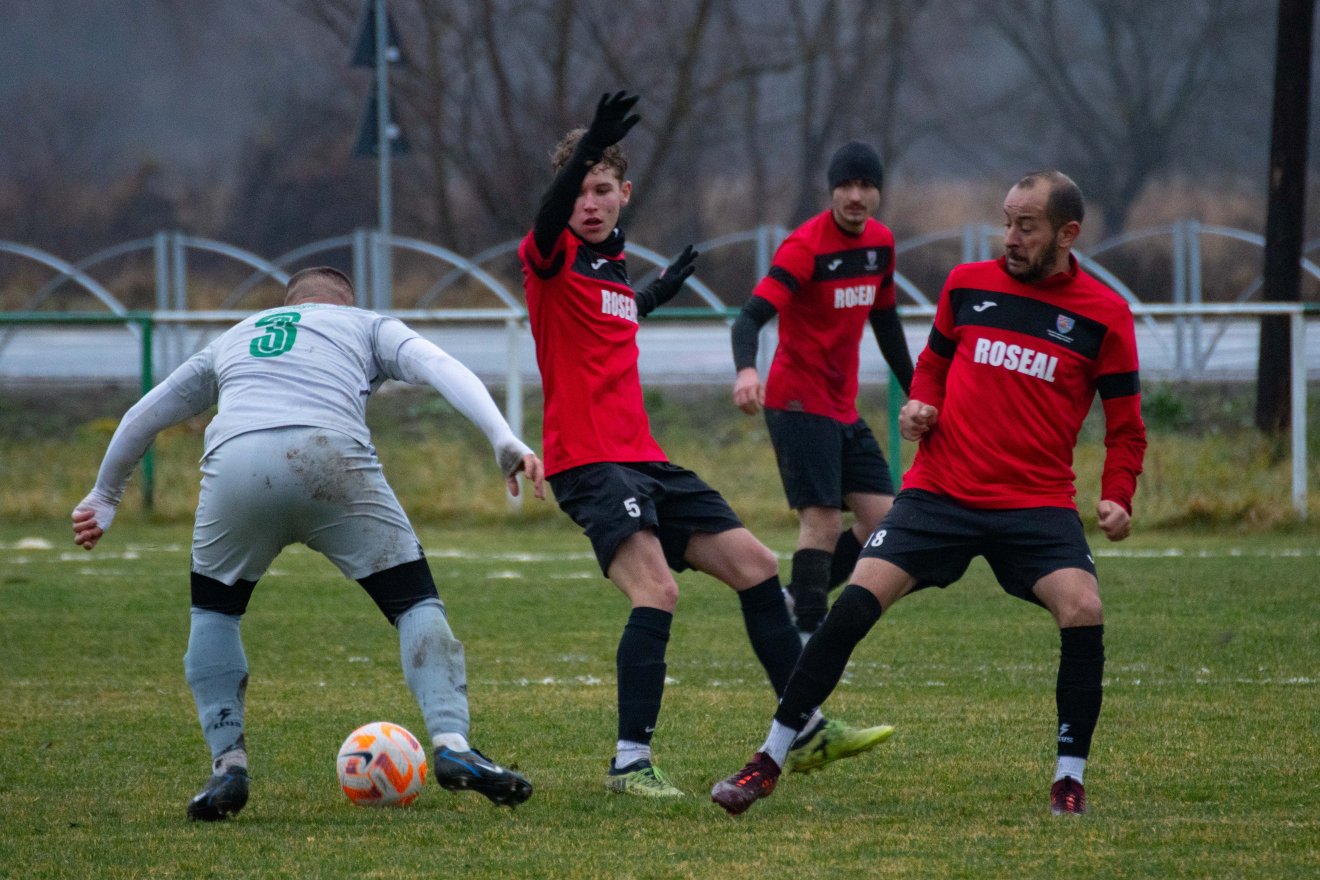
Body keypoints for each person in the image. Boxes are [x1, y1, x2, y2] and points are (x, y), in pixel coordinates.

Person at [711, 170, 1147, 817]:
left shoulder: (1104, 315)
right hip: (940, 492)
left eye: (1026, 226)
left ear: (1068, 233)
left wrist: (1118, 496)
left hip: (1036, 504)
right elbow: (934, 370)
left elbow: (1127, 427)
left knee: (1082, 609)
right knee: (854, 604)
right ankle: (770, 758)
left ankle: (1068, 780)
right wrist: (922, 406)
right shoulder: (967, 286)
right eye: (1006, 221)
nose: (1010, 237)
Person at [519, 91, 893, 798]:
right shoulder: (549, 255)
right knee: (657, 592)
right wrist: (583, 154)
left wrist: (655, 294)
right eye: (579, 193)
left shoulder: (608, 267)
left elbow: (612, 319)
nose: (588, 205)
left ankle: (804, 729)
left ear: (624, 194)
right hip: (589, 463)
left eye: (603, 190)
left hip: (645, 459)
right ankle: (630, 764)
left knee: (754, 564)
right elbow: (549, 222)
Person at [71, 266, 546, 820]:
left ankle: (227, 766)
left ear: (287, 303)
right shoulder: (365, 324)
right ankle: (453, 746)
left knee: (215, 614)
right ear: (345, 302)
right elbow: (440, 367)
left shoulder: (237, 335)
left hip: (237, 467)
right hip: (329, 457)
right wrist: (502, 437)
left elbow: (144, 414)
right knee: (414, 601)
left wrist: (105, 496)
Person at [731, 140, 914, 638]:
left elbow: (886, 319)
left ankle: (795, 598)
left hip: (841, 406)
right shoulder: (805, 247)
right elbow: (749, 318)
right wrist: (747, 371)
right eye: (846, 185)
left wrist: (919, 389)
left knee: (885, 522)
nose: (855, 196)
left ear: (878, 192)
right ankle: (807, 638)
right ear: (831, 190)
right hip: (796, 401)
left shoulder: (879, 244)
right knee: (824, 522)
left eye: (866, 186)